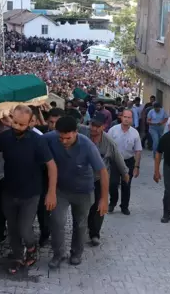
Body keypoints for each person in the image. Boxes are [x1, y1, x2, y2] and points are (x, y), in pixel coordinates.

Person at [0, 105, 57, 274]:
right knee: (13, 229)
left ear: (30, 123)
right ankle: (17, 257)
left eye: (21, 124)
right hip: (9, 191)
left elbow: (52, 166)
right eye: (14, 122)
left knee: (24, 228)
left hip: (31, 194)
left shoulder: (38, 141)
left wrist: (51, 193)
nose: (16, 127)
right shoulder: (5, 137)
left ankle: (31, 247)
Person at [44, 116, 109, 268]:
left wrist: (104, 199)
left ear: (75, 132)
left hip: (83, 192)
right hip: (61, 190)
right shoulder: (52, 138)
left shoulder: (87, 145)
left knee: (80, 224)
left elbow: (103, 171)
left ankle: (76, 253)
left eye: (67, 138)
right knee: (57, 221)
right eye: (61, 138)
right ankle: (58, 254)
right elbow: (35, 139)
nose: (64, 141)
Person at [79, 113, 129, 246]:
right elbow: (70, 126)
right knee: (86, 205)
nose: (93, 129)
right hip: (83, 178)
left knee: (99, 205)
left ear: (103, 127)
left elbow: (118, 158)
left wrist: (125, 173)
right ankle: (85, 227)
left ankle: (95, 234)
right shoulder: (82, 133)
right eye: (92, 125)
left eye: (97, 126)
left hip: (100, 178)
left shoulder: (109, 143)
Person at [37, 107, 66, 245]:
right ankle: (44, 232)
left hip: (62, 178)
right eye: (51, 122)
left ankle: (56, 234)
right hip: (42, 177)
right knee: (42, 208)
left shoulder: (68, 137)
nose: (53, 125)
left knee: (57, 209)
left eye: (56, 122)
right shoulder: (41, 134)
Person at [107, 109, 142, 215]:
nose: (126, 119)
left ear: (132, 119)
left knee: (126, 184)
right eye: (125, 117)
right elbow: (107, 145)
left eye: (129, 117)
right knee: (112, 184)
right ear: (121, 117)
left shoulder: (135, 133)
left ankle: (124, 206)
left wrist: (136, 167)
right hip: (115, 161)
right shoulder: (113, 130)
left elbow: (138, 150)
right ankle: (112, 203)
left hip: (128, 161)